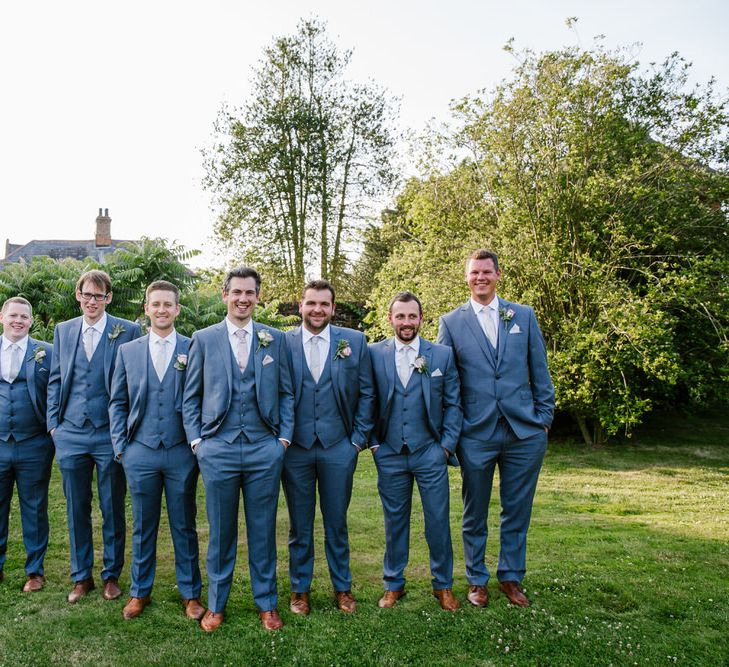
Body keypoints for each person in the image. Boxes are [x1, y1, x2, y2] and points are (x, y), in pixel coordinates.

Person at [437, 249, 554, 607]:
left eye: (487, 272)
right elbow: (446, 384)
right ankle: (476, 580)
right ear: (467, 277)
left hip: (524, 433)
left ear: (498, 275)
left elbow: (540, 371)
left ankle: (511, 577)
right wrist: (454, 431)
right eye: (475, 273)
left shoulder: (524, 315)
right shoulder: (451, 322)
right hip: (476, 433)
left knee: (516, 509)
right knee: (475, 511)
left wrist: (543, 420)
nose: (480, 278)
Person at [182, 267, 294, 632]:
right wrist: (199, 442)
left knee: (263, 530)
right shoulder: (204, 338)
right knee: (221, 532)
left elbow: (288, 392)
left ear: (258, 297)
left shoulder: (274, 339)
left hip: (265, 448)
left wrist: (283, 440)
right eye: (237, 292)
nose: (243, 299)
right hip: (219, 449)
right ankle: (216, 605)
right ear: (225, 295)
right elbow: (190, 396)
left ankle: (267, 604)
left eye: (250, 292)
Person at [109, 281, 203, 621]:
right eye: (155, 304)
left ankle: (191, 594)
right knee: (143, 525)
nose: (161, 310)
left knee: (184, 524)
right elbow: (117, 401)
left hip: (181, 452)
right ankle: (139, 592)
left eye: (168, 304)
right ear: (146, 309)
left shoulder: (193, 348)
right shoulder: (128, 351)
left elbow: (203, 399)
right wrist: (122, 448)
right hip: (140, 451)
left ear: (177, 309)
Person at [47, 269, 141, 603]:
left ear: (109, 298)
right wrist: (53, 425)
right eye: (87, 295)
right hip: (70, 432)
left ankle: (111, 575)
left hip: (109, 434)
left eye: (98, 296)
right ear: (78, 295)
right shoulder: (63, 330)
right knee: (76, 506)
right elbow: (56, 378)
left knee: (112, 504)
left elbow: (134, 382)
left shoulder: (128, 331)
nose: (92, 301)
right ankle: (80, 575)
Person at [282, 279, 374, 615]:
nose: (318, 309)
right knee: (299, 524)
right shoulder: (283, 342)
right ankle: (299, 590)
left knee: (337, 521)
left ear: (333, 308)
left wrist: (356, 441)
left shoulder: (354, 342)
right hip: (296, 450)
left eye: (324, 304)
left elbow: (367, 393)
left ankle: (343, 588)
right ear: (301, 305)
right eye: (311, 303)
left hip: (338, 447)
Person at [369, 292, 462, 611]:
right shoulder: (374, 354)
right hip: (390, 452)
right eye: (400, 316)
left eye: (412, 316)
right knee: (394, 521)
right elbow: (366, 400)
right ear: (390, 318)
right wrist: (375, 444)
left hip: (429, 452)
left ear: (422, 319)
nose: (406, 322)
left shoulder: (441, 355)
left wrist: (446, 447)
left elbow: (453, 404)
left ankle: (443, 585)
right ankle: (393, 584)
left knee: (438, 520)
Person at [0, 297, 54, 592]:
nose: (18, 321)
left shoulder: (46, 353)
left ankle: (35, 571)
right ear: (2, 317)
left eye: (24, 316)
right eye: (13, 316)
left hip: (34, 443)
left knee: (34, 508)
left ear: (31, 321)